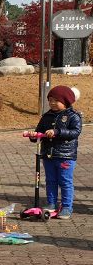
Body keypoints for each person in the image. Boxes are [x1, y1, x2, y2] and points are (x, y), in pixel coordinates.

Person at [29, 85, 82, 219]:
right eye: (50, 100)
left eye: (55, 100)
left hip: (65, 156)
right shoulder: (47, 116)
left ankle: (66, 207)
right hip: (48, 154)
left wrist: (57, 132)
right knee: (50, 180)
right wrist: (34, 135)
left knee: (65, 181)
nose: (52, 103)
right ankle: (51, 203)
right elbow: (39, 131)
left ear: (66, 101)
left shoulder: (73, 116)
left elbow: (75, 132)